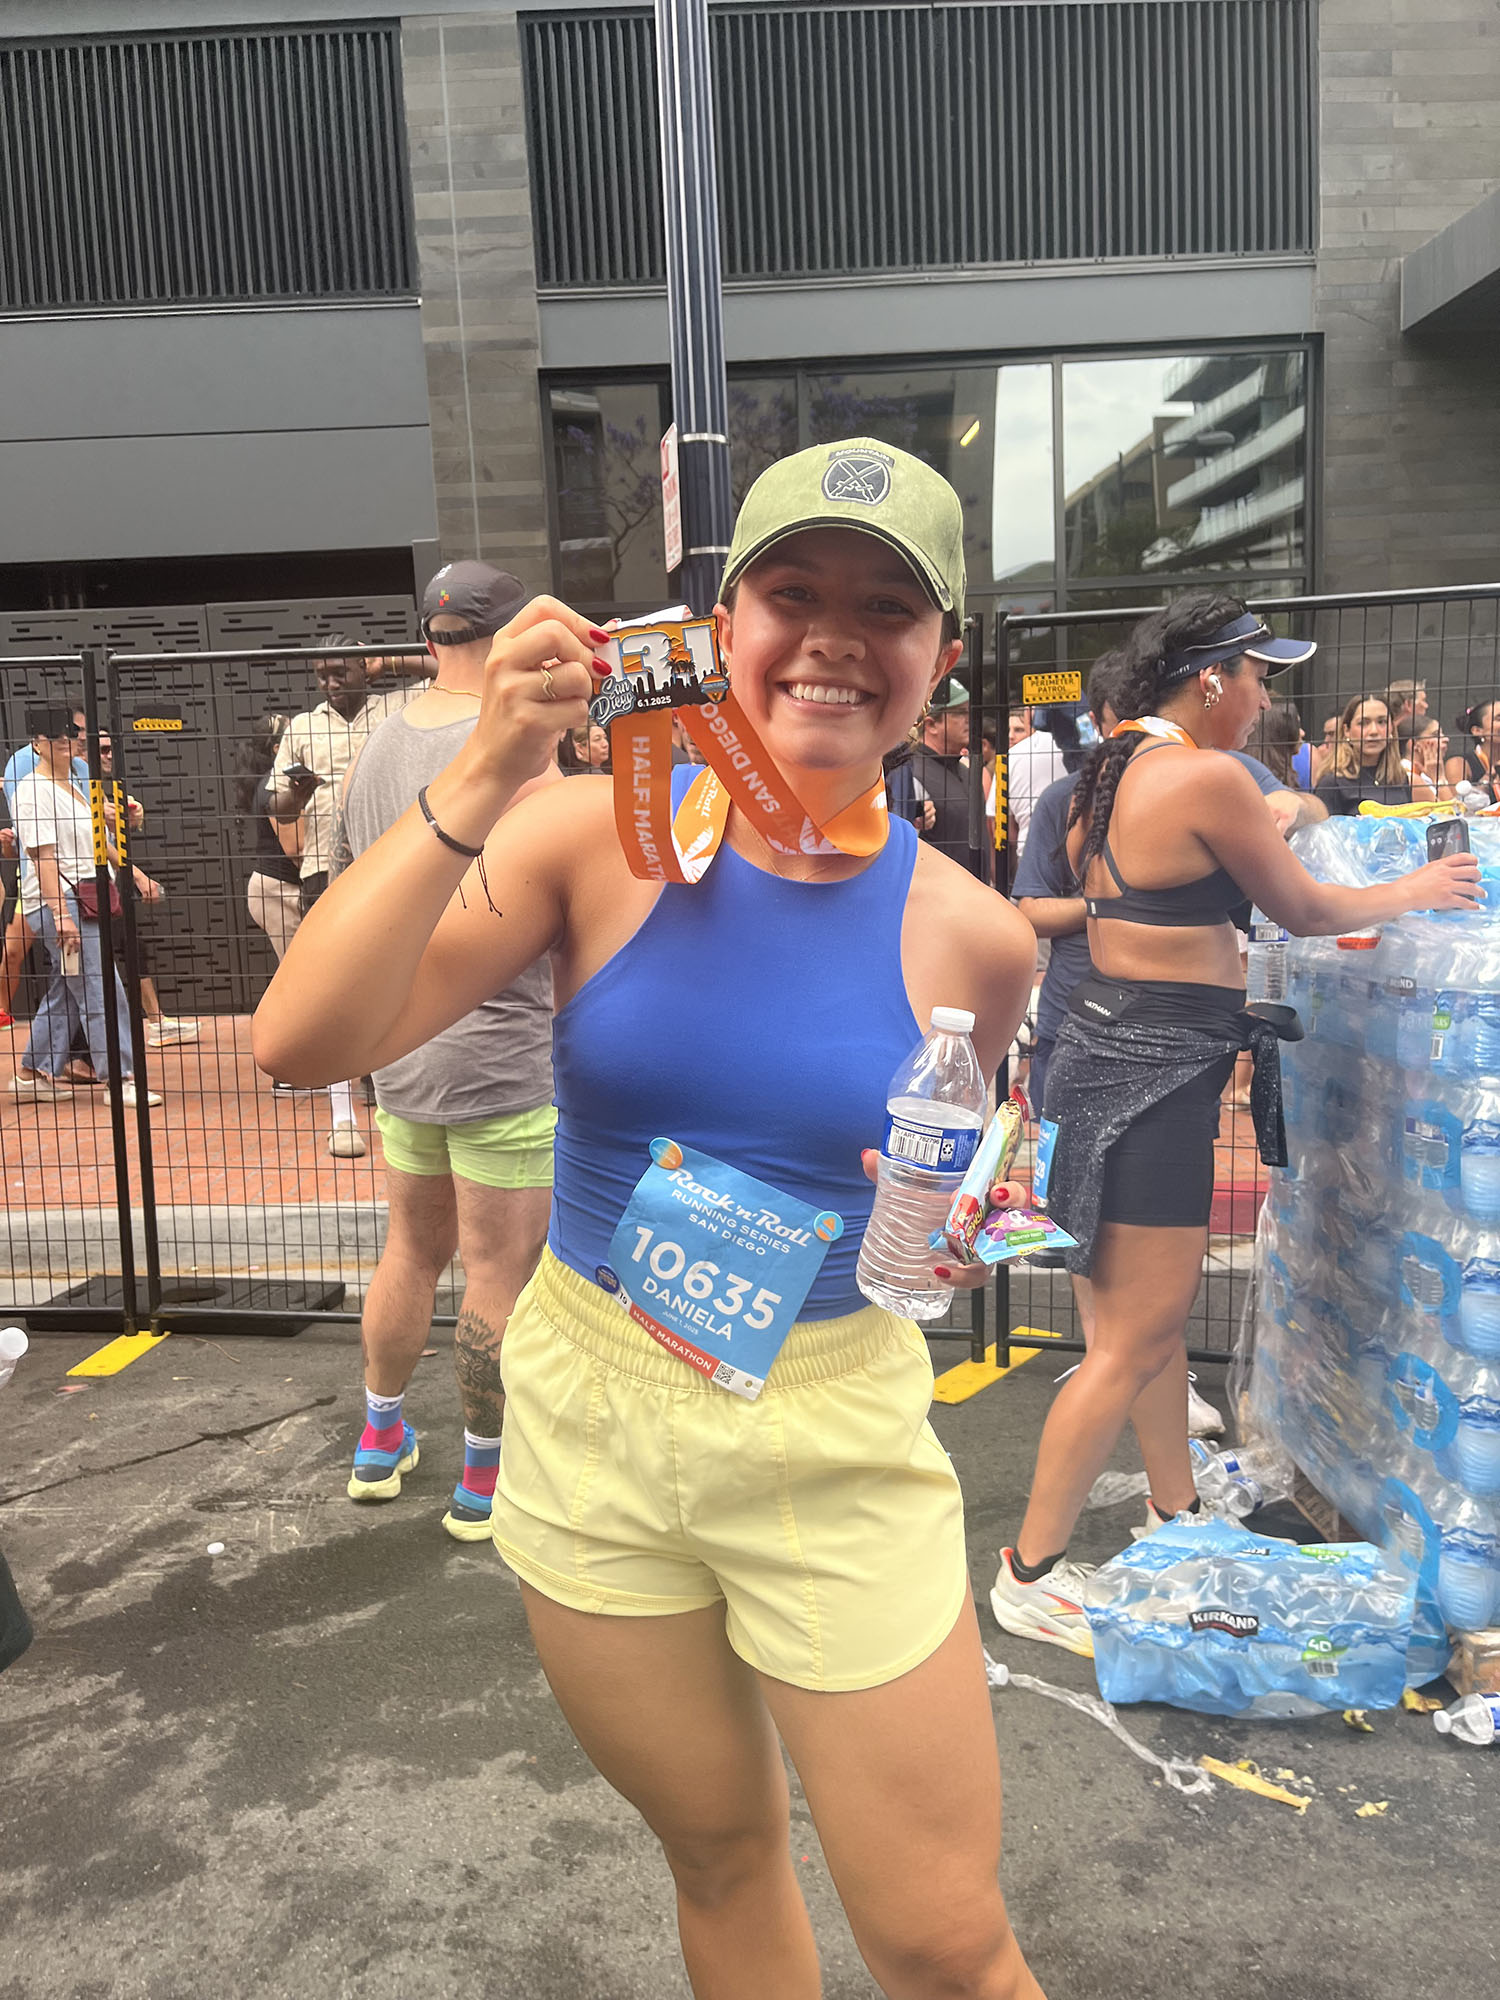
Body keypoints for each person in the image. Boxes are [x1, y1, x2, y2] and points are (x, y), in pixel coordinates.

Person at [255, 439, 1046, 2000]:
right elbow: (301, 1040)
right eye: (793, 592)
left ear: (938, 657)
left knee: (947, 1946)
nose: (834, 636)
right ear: (721, 622)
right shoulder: (589, 836)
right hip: (593, 1404)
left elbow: (935, 1189)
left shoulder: (979, 934)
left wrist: (944, 1231)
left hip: (828, 1429)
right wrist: (484, 773)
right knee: (720, 1855)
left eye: (888, 607)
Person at [989, 592, 1479, 1656]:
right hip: (1153, 1077)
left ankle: (1175, 1510)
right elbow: (1302, 907)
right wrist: (1422, 887)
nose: (1266, 699)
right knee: (1126, 1342)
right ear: (1211, 677)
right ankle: (1027, 1570)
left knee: (1141, 1330)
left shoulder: (1110, 775)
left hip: (1097, 1064)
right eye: (1259, 676)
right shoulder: (1201, 776)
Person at [333, 562, 559, 1543]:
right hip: (503, 1046)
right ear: (512, 636)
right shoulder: (521, 742)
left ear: (431, 636)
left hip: (404, 1051)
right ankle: (483, 1475)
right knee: (498, 1268)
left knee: (411, 1249)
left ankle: (379, 1441)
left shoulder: (375, 740)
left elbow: (344, 888)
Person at [269, 641, 431, 1156]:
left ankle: (389, 1087)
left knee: (404, 974)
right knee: (336, 982)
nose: (329, 683)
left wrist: (392, 659)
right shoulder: (302, 726)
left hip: (397, 859)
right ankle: (342, 1116)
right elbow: (274, 801)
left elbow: (447, 668)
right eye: (320, 675)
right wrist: (295, 793)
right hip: (325, 865)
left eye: (339, 671)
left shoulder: (402, 705)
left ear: (366, 667)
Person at [6, 705, 159, 1108]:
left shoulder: (76, 779)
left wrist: (134, 873)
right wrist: (60, 916)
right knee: (98, 986)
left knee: (69, 987)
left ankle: (31, 1071)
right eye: (53, 735)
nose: (65, 740)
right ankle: (121, 1076)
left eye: (70, 733)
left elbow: (96, 838)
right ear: (35, 744)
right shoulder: (32, 792)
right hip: (62, 902)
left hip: (85, 897)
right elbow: (44, 859)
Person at [908, 671, 988, 879]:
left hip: (977, 899)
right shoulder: (911, 773)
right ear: (931, 725)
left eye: (969, 712)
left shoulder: (967, 772)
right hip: (935, 902)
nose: (969, 720)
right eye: (960, 713)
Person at [1314, 693, 1432, 815]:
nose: (1374, 731)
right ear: (1347, 730)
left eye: (1382, 722)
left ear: (1391, 728)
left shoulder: (1400, 778)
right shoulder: (1332, 782)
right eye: (1363, 723)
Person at [1445, 698, 1500, 803]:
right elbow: (1457, 807)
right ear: (1477, 731)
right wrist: (1488, 777)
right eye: (1499, 718)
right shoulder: (1459, 764)